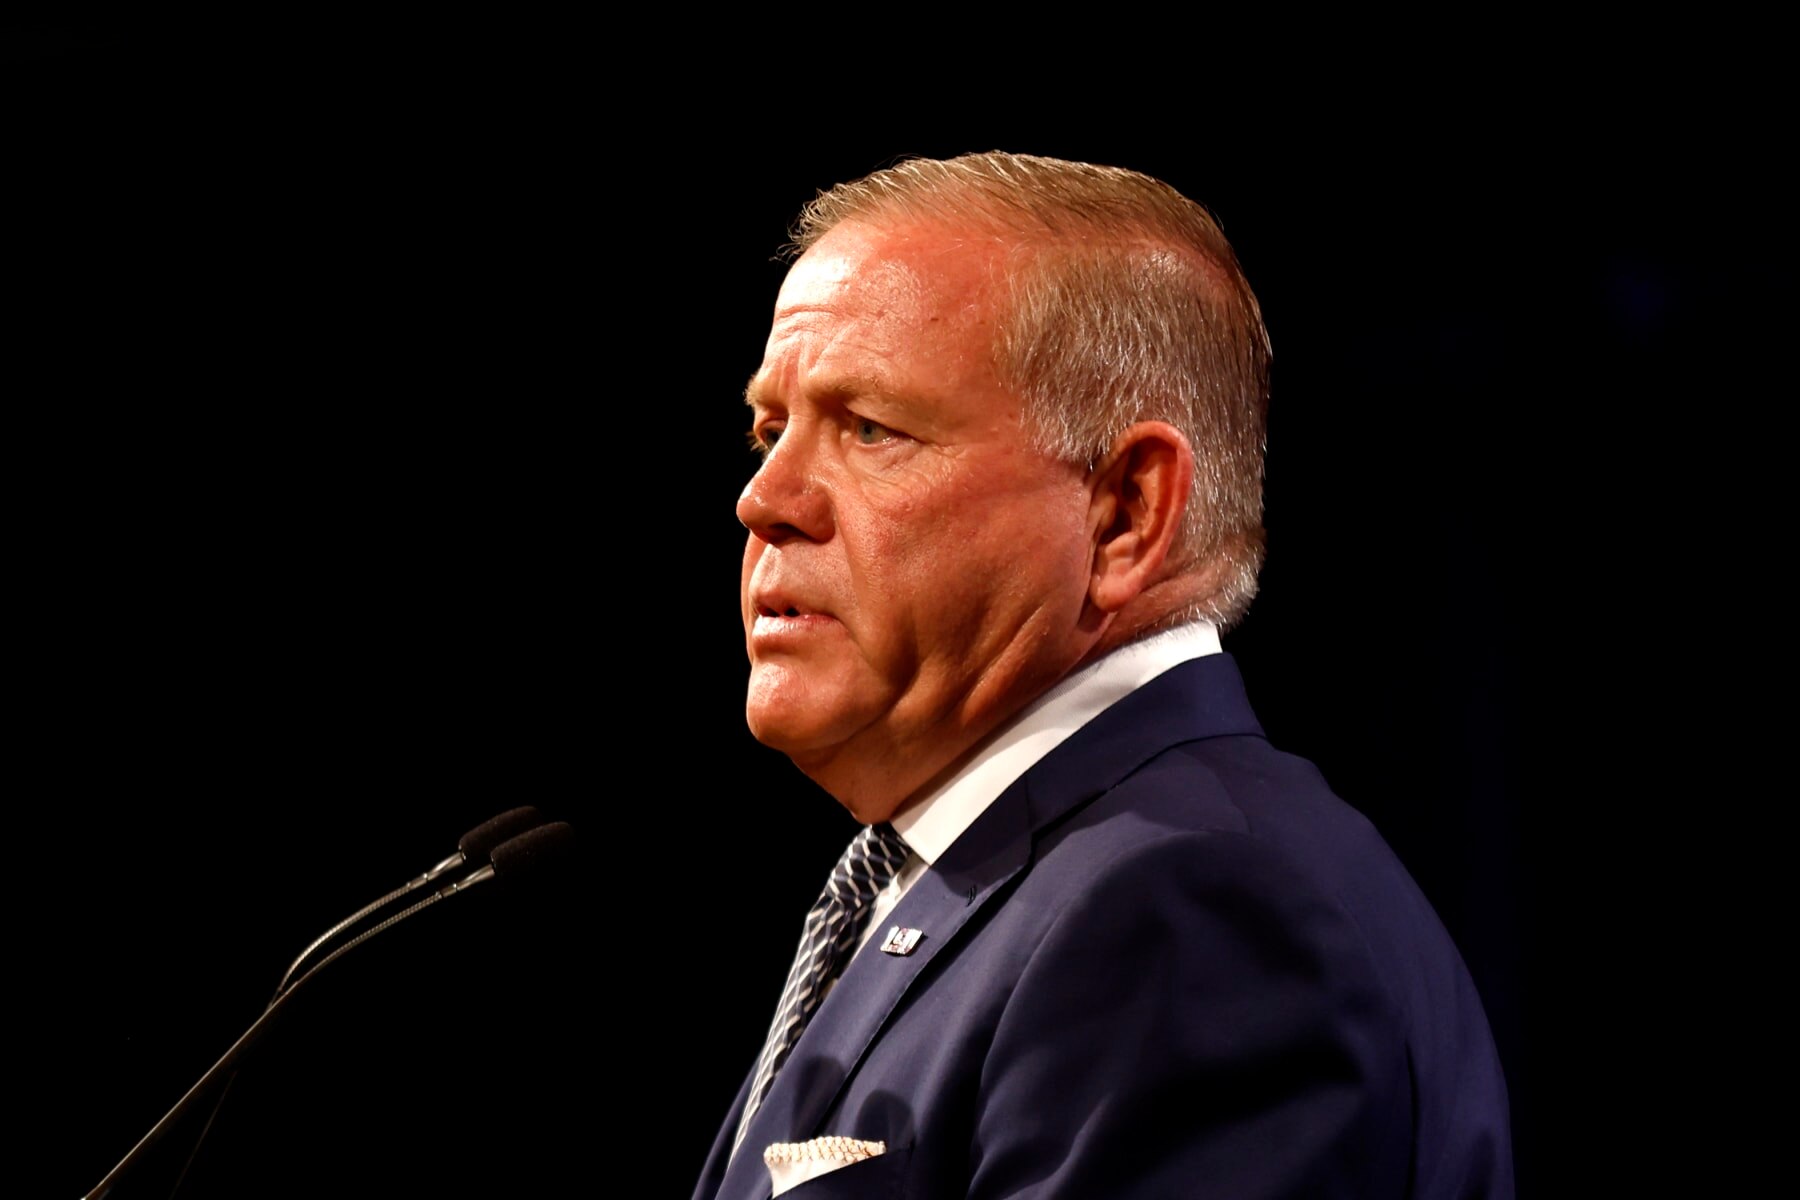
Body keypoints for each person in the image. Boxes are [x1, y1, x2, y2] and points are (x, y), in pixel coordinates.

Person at [693, 151, 1513, 1200]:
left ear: (1124, 512)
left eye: (869, 428)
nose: (764, 499)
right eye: (768, 431)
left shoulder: (1188, 910)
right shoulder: (1000, 886)